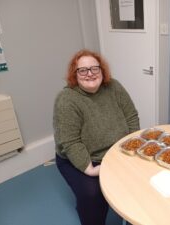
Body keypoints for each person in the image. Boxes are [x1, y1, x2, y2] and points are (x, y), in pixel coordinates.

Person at [53, 49, 140, 225]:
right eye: (83, 70)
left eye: (95, 68)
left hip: (117, 151)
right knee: (92, 195)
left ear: (102, 70)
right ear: (74, 74)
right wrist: (90, 169)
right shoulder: (67, 99)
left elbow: (131, 116)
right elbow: (70, 142)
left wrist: (131, 146)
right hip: (81, 158)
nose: (90, 74)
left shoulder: (114, 87)